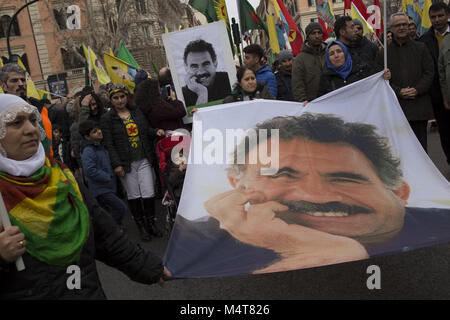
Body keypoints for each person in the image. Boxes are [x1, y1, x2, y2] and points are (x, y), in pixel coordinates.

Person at [165, 113, 450, 277]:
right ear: (236, 185)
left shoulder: (442, 223)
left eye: (345, 178)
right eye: (283, 174)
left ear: (400, 192)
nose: (314, 195)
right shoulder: (193, 245)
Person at [0, 94, 170, 299]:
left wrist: (148, 267)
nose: (30, 129)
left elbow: (104, 234)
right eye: (16, 123)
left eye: (33, 121)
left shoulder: (61, 176)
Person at [100, 85, 165, 241]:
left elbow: (145, 130)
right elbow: (109, 144)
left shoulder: (136, 112)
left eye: (122, 97)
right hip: (126, 164)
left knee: (148, 192)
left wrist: (156, 131)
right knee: (134, 195)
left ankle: (151, 224)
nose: (120, 100)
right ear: (111, 100)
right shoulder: (107, 119)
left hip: (143, 159)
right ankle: (141, 227)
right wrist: (117, 165)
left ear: (126, 97)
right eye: (115, 98)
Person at [376, 12, 434, 152]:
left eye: (404, 24)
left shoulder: (421, 48)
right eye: (398, 25)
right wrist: (398, 91)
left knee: (420, 149)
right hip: (396, 109)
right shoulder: (383, 54)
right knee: (401, 151)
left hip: (418, 106)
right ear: (391, 28)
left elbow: (429, 72)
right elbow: (379, 81)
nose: (402, 27)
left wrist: (417, 89)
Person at [79, 119, 127, 228]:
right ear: (87, 137)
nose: (99, 132)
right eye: (94, 132)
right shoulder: (88, 150)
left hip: (108, 187)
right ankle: (112, 228)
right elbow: (89, 170)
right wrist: (107, 177)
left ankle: (113, 229)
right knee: (120, 208)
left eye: (98, 129)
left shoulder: (100, 146)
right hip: (100, 189)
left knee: (109, 211)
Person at [0, 63, 52, 156]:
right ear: (3, 86)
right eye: (14, 80)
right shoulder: (2, 112)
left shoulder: (39, 108)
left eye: (23, 80)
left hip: (47, 162)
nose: (20, 84)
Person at [422, 2, 450, 165]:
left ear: (447, 15)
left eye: (440, 15)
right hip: (438, 97)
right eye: (433, 17)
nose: (437, 20)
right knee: (445, 133)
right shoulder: (424, 40)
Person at [317, 41, 389, 97]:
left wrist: (383, 77)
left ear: (345, 53)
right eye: (332, 54)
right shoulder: (325, 77)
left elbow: (374, 84)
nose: (336, 56)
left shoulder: (362, 70)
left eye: (339, 51)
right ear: (328, 58)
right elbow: (321, 100)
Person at [181, 39, 232, 107]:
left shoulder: (229, 80)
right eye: (194, 66)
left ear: (215, 63)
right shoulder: (183, 95)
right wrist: (202, 92)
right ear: (186, 67)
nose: (201, 72)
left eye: (205, 64)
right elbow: (195, 117)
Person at [292, 22, 327, 105]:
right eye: (313, 33)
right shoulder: (300, 59)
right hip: (312, 104)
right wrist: (303, 100)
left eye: (319, 33)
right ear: (307, 37)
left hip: (330, 100)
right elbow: (297, 84)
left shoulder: (330, 52)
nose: (317, 36)